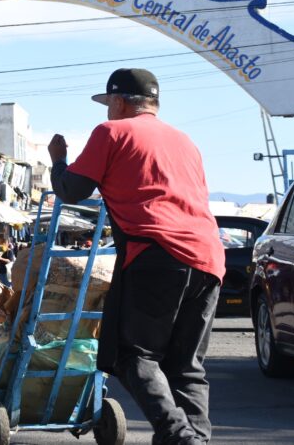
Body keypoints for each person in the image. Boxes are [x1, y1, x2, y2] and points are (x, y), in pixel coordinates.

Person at [47, 68, 225, 445]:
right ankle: (195, 438)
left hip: (156, 254)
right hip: (209, 257)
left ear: (118, 101)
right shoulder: (185, 141)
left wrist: (58, 160)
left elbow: (72, 190)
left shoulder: (111, 132)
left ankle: (181, 437)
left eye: (108, 103)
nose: (108, 110)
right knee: (187, 367)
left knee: (133, 355)